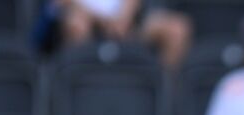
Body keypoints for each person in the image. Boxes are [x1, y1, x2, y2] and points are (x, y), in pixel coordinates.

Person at [38, 0, 192, 69]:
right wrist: (101, 19)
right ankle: (78, 90)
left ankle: (162, 97)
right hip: (87, 21)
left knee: (176, 29)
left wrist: (123, 18)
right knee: (76, 24)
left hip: (127, 23)